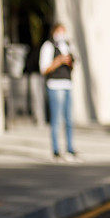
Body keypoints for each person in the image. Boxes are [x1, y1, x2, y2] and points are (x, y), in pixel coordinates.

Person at [39, 23, 78, 162]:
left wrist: (68, 62)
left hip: (67, 84)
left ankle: (70, 149)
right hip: (55, 86)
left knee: (69, 119)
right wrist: (58, 61)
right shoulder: (48, 46)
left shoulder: (68, 45)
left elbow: (73, 65)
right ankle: (56, 151)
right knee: (56, 119)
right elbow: (44, 69)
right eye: (59, 31)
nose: (62, 34)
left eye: (64, 31)